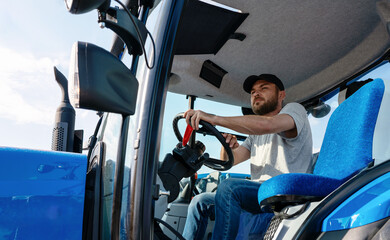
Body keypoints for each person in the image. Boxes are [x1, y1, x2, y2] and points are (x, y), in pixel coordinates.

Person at [182, 74, 313, 240]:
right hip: (261, 193)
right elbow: (230, 161)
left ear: (281, 94)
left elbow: (268, 125)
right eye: (252, 92)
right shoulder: (255, 134)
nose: (256, 93)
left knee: (229, 188)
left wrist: (214, 119)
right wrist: (226, 144)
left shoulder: (294, 110)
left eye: (263, 88)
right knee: (200, 201)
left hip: (287, 193)